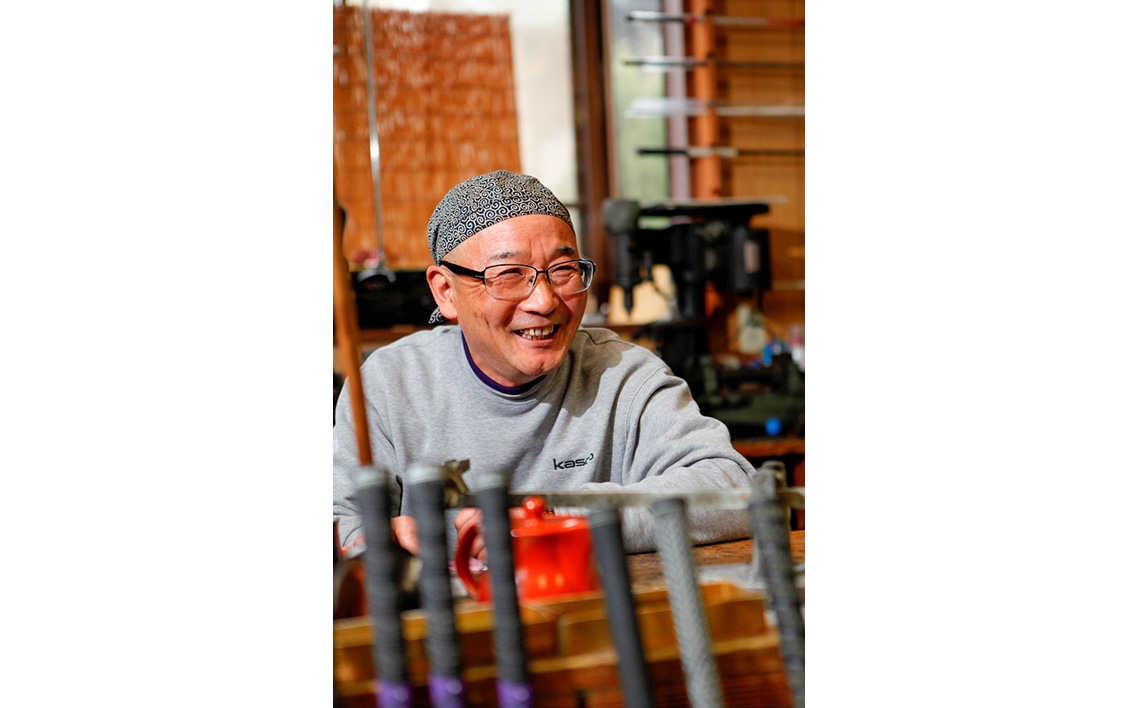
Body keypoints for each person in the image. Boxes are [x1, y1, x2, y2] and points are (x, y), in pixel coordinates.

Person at [333, 170, 758, 558]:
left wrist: (557, 520)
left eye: (563, 270)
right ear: (445, 292)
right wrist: (368, 541)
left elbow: (734, 490)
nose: (544, 300)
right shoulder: (389, 386)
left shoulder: (623, 375)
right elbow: (340, 521)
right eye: (509, 274)